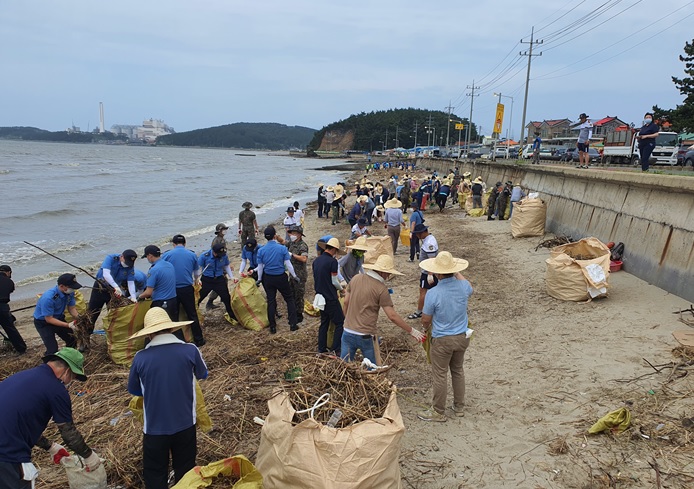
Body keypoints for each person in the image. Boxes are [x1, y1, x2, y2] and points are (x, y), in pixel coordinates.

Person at [127, 308, 208, 489]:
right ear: (171, 329)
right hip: (186, 423)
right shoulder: (190, 350)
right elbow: (203, 373)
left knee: (155, 473)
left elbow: (135, 391)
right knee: (186, 470)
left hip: (154, 429)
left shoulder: (140, 358)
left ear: (149, 335)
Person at [0, 347, 101, 488]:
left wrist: (50, 446)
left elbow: (18, 422)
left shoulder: (22, 377)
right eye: (73, 377)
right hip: (7, 453)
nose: (70, 381)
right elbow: (68, 433)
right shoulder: (56, 390)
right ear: (67, 370)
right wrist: (89, 456)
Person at [416, 252, 472, 422]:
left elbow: (426, 318)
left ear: (438, 273)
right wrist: (455, 270)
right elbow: (468, 286)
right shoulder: (464, 286)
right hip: (462, 336)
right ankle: (459, 406)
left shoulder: (433, 293)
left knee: (440, 374)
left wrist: (425, 328)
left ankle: (438, 411)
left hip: (442, 339)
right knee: (457, 370)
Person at [342, 255, 424, 364]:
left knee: (343, 367)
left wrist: (346, 321)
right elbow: (392, 316)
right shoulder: (381, 289)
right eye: (388, 273)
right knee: (373, 369)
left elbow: (346, 302)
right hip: (366, 335)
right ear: (383, 272)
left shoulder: (356, 278)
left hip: (347, 332)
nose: (389, 275)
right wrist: (412, 331)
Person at [161, 235, 205, 347]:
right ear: (185, 243)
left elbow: (161, 270)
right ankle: (199, 340)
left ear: (173, 244)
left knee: (174, 316)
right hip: (186, 288)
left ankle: (177, 341)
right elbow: (196, 273)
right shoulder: (192, 254)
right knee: (192, 314)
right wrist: (196, 281)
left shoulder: (167, 255)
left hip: (171, 289)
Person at [257, 226, 300, 334]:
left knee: (271, 301)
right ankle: (293, 324)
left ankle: (272, 327)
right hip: (280, 277)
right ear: (275, 235)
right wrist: (294, 276)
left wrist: (259, 279)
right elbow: (288, 265)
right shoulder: (282, 249)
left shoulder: (261, 250)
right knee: (289, 299)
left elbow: (260, 267)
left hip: (268, 278)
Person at [87, 249, 138, 331]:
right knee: (92, 313)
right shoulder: (111, 258)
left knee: (114, 314)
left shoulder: (130, 266)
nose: (127, 265)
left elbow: (131, 282)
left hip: (114, 291)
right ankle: (87, 335)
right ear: (121, 257)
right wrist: (116, 286)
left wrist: (133, 296)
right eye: (126, 262)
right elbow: (106, 274)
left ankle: (112, 336)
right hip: (100, 287)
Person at [33, 274, 82, 356]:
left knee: (72, 339)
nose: (73, 289)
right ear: (62, 286)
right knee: (52, 349)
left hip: (58, 317)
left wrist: (79, 318)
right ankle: (49, 364)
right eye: (71, 287)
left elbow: (71, 308)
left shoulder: (70, 293)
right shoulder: (48, 298)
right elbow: (49, 319)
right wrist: (68, 325)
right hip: (43, 322)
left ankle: (69, 357)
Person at [313, 238, 344, 355]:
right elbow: (334, 281)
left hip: (320, 297)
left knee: (324, 323)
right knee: (340, 322)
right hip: (330, 297)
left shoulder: (316, 261)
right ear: (334, 250)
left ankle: (321, 349)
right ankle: (335, 349)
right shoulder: (332, 262)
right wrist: (341, 289)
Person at [196, 243, 237, 322]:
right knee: (199, 298)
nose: (220, 255)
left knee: (226, 298)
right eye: (218, 254)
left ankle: (233, 317)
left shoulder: (223, 255)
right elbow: (199, 268)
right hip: (207, 279)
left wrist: (231, 277)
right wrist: (197, 279)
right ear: (214, 252)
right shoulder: (204, 256)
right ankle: (195, 317)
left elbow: (226, 265)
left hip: (219, 279)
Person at [406, 224, 439, 320]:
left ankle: (419, 311)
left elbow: (431, 260)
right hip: (430, 271)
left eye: (417, 234)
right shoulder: (429, 239)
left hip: (428, 272)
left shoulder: (429, 243)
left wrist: (430, 274)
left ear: (422, 233)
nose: (416, 236)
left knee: (423, 292)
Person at [139, 245, 178, 321]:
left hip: (161, 302)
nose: (147, 259)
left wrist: (139, 297)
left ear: (150, 256)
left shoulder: (154, 270)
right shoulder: (169, 265)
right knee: (174, 324)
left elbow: (148, 292)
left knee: (161, 326)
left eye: (146, 256)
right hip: (173, 299)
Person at [0, 265, 26, 354]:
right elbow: (10, 290)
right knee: (10, 329)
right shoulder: (9, 282)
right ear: (8, 272)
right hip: (3, 307)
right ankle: (21, 349)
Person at [286, 225, 308, 325]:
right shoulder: (291, 244)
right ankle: (293, 313)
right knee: (291, 293)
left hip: (300, 274)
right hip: (292, 273)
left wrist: (293, 255)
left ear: (299, 235)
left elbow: (304, 259)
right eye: (291, 233)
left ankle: (299, 314)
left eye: (294, 233)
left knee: (299, 295)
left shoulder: (302, 245)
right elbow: (283, 243)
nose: (292, 235)